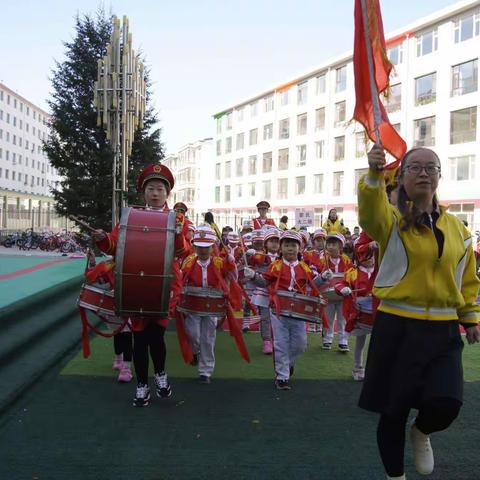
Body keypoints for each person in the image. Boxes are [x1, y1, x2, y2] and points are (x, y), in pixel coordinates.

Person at [358, 145, 480, 480]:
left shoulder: (459, 229)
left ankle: (422, 431)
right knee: (393, 410)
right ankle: (395, 476)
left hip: (442, 329)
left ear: (440, 175)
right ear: (401, 176)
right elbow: (370, 212)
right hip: (397, 326)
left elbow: (466, 278)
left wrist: (469, 317)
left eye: (431, 167)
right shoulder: (391, 220)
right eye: (415, 167)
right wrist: (372, 174)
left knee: (448, 403)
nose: (424, 173)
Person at [93, 163, 190, 407]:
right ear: (143, 192)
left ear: (167, 193)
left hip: (164, 286)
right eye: (150, 189)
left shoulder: (177, 219)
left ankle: (160, 375)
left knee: (156, 336)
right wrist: (103, 239)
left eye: (159, 189)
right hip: (135, 283)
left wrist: (177, 233)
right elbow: (115, 245)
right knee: (139, 339)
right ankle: (141, 385)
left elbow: (183, 250)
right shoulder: (131, 216)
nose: (155, 193)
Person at [245, 230, 332, 390]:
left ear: (299, 248)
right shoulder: (275, 265)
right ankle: (282, 376)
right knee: (280, 343)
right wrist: (253, 276)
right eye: (286, 245)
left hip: (299, 312)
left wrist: (323, 277)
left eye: (293, 245)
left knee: (301, 344)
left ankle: (288, 364)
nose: (290, 248)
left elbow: (313, 285)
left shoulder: (304, 267)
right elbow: (264, 282)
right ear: (281, 247)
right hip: (278, 311)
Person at [180, 224, 237, 383]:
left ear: (213, 246)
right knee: (193, 334)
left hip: (212, 306)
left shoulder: (219, 262)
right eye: (199, 246)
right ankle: (196, 352)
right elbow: (181, 279)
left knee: (208, 338)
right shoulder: (189, 261)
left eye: (207, 247)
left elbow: (233, 277)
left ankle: (206, 371)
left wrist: (231, 262)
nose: (203, 250)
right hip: (193, 304)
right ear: (194, 246)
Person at [335, 235, 378, 381]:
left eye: (372, 256)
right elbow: (340, 284)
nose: (370, 258)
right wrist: (343, 289)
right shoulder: (352, 272)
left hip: (379, 312)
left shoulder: (381, 271)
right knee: (360, 342)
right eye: (366, 256)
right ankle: (358, 367)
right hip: (360, 313)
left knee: (379, 343)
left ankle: (377, 370)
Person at [319, 233, 353, 351]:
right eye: (329, 244)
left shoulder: (347, 260)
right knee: (328, 318)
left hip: (342, 294)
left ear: (340, 246)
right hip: (328, 294)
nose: (331, 246)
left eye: (334, 244)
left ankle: (343, 341)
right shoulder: (323, 259)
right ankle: (327, 339)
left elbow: (352, 275)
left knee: (342, 318)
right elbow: (317, 274)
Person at [250, 228, 280, 354]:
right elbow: (253, 261)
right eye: (271, 241)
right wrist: (250, 255)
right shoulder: (261, 255)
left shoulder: (282, 257)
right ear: (265, 243)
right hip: (264, 291)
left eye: (277, 241)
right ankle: (267, 341)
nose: (274, 244)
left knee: (278, 318)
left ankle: (277, 340)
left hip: (278, 292)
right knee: (265, 318)